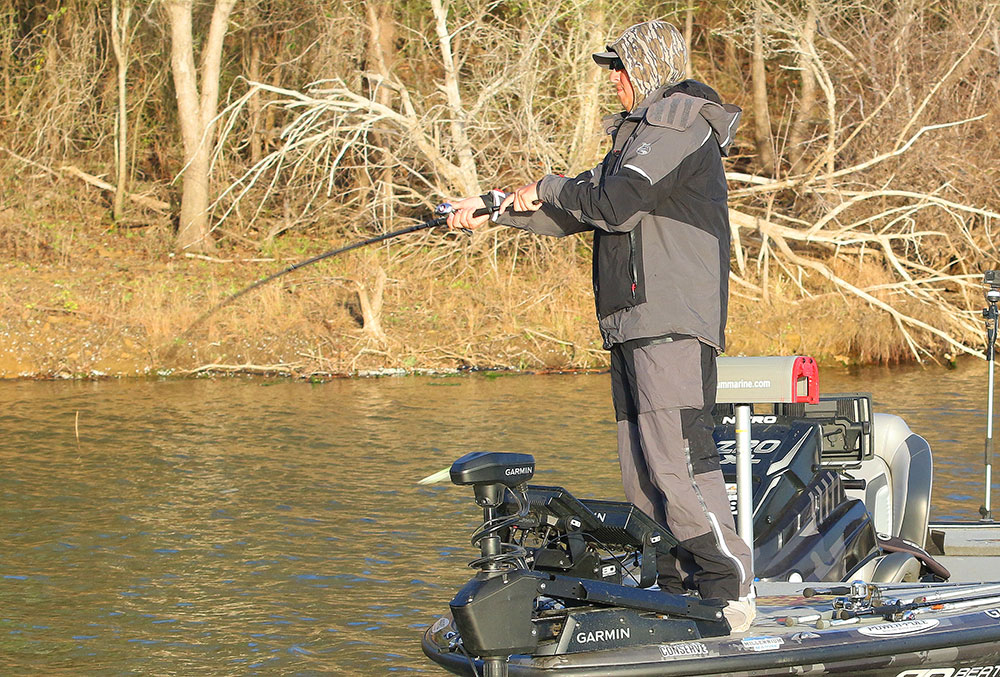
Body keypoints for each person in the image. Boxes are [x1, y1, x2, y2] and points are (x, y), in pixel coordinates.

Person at [446, 20, 755, 632]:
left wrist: (546, 185)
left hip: (670, 320)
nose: (614, 79)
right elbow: (578, 210)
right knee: (641, 471)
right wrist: (494, 211)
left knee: (677, 462)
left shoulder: (678, 124)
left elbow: (611, 203)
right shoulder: (638, 138)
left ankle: (729, 588)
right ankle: (676, 590)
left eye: (621, 67)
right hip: (630, 322)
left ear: (650, 67)